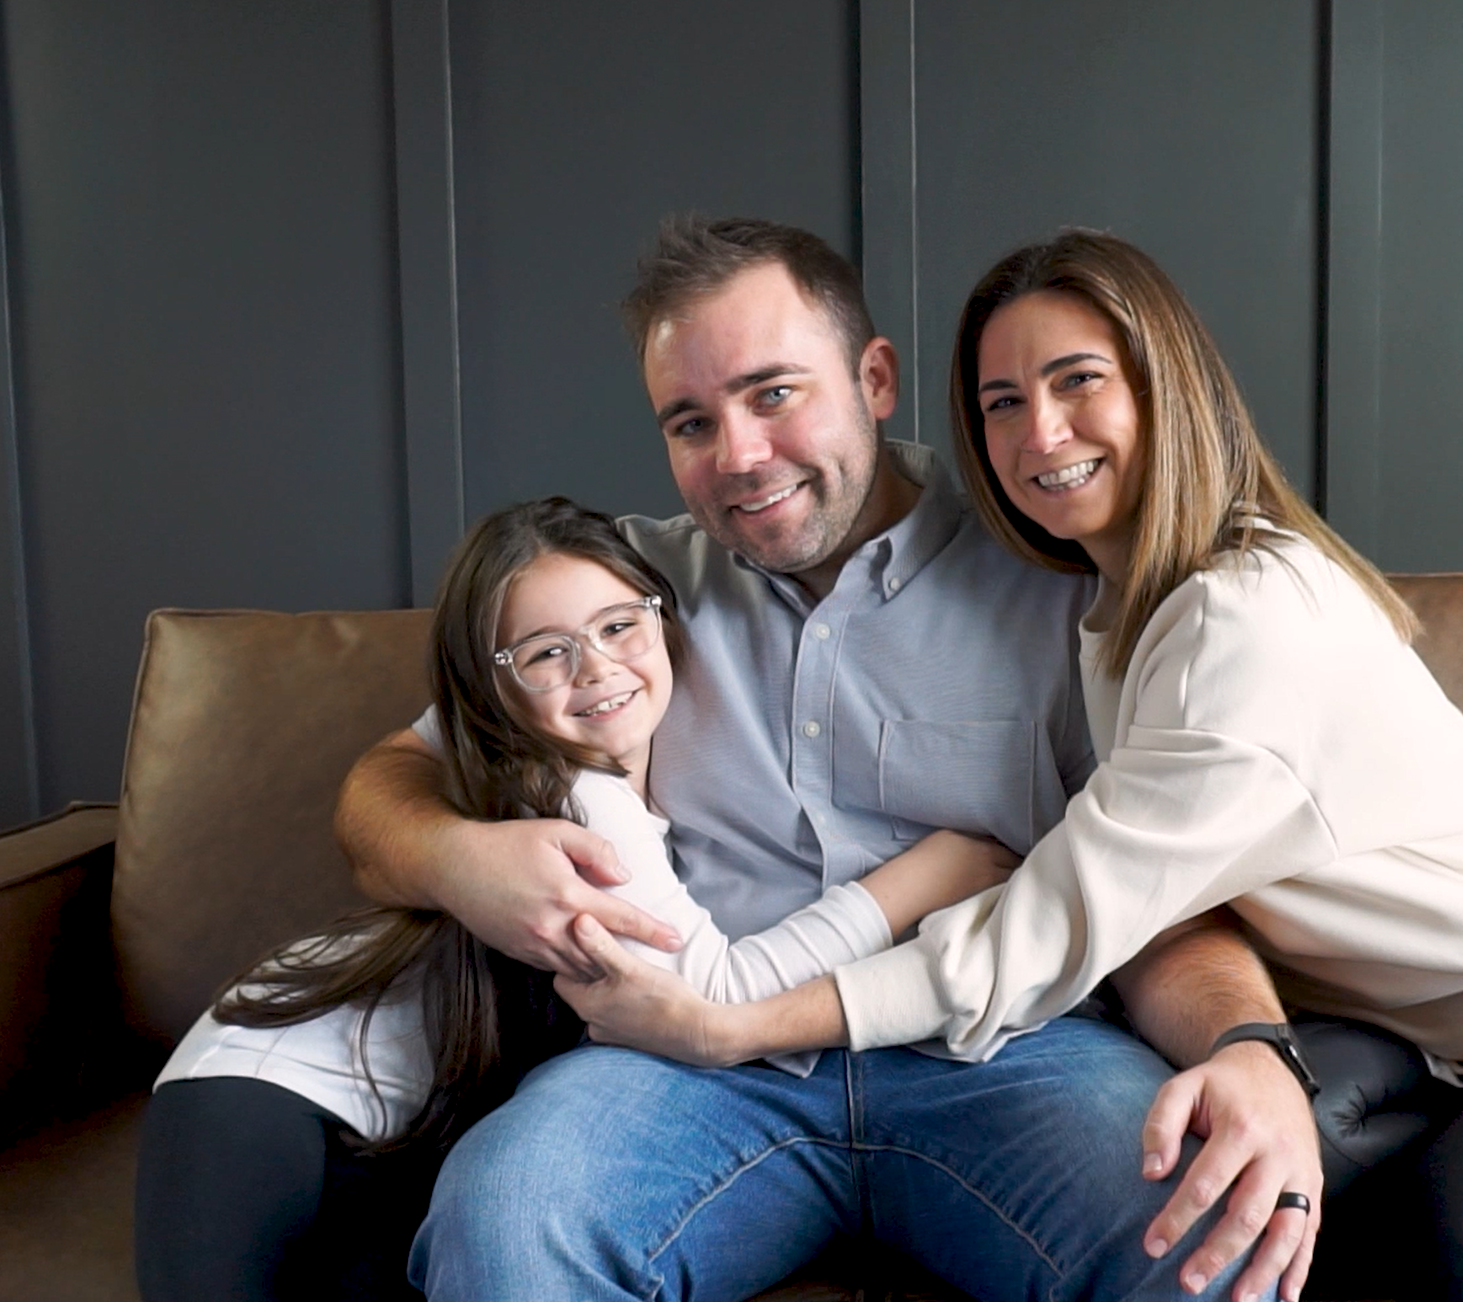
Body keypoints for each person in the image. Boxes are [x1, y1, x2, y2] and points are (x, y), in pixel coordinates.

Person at [556, 230, 1463, 1302]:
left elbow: (1054, 917)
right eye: (999, 402)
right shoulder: (1109, 609)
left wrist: (736, 1025)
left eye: (1077, 382)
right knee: (1220, 1196)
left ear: (1166, 387)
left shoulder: (1247, 617)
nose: (1039, 435)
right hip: (1416, 1038)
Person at [338, 216, 1324, 1301]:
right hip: (684, 1074)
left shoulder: (1059, 578)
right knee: (506, 1218)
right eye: (691, 422)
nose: (740, 458)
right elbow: (392, 781)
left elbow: (1158, 894)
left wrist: (1251, 1046)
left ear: (876, 377)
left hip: (1006, 1054)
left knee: (1209, 1239)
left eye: (774, 394)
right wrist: (455, 861)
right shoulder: (623, 599)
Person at [134, 497, 1017, 1301]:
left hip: (397, 1135)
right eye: (548, 652)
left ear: (660, 619)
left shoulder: (624, 781)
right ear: (495, 688)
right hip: (265, 1090)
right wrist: (924, 875)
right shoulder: (577, 800)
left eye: (617, 626)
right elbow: (714, 992)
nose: (597, 668)